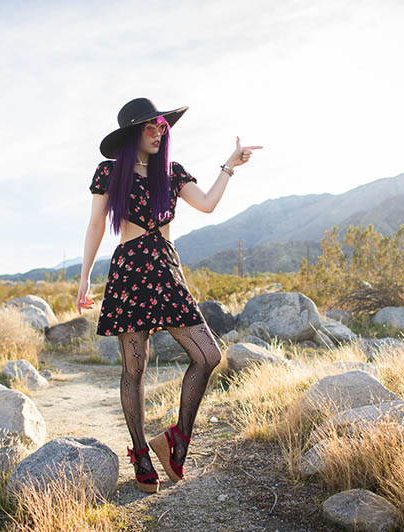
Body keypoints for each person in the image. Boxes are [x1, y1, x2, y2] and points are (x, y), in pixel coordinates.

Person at [75, 97, 262, 493]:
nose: (159, 132)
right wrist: (85, 277)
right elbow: (95, 225)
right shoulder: (109, 173)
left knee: (209, 354)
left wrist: (229, 166)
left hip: (166, 269)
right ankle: (141, 453)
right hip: (130, 270)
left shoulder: (172, 174)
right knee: (134, 369)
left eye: (162, 126)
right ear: (133, 133)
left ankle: (176, 440)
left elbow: (208, 205)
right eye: (150, 127)